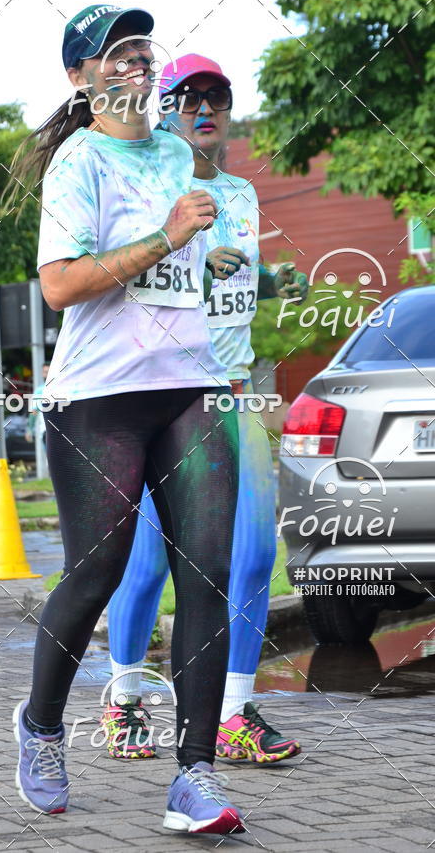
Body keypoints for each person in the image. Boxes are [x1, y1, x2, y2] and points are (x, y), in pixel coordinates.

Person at [5, 6, 247, 835]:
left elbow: (178, 262)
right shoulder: (78, 163)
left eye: (145, 49)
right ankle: (40, 726)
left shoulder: (181, 152)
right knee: (95, 575)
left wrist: (202, 254)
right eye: (118, 53)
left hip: (193, 387)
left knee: (207, 577)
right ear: (82, 77)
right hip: (99, 399)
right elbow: (63, 285)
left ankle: (195, 779)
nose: (138, 62)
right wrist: (165, 234)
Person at [104, 54, 309, 764]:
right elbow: (113, 282)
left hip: (233, 390)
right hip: (162, 393)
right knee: (150, 565)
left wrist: (273, 280)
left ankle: (233, 714)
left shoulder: (244, 196)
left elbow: (238, 277)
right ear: (163, 110)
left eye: (216, 97)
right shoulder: (139, 189)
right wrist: (187, 257)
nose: (204, 109)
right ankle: (125, 698)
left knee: (253, 555)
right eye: (187, 97)